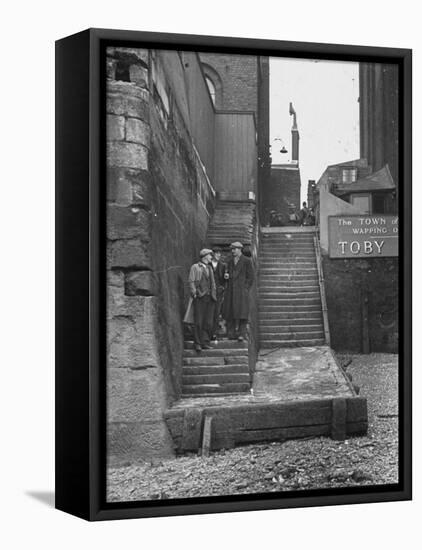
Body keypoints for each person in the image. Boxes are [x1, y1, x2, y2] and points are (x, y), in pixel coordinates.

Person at [222, 242, 254, 342]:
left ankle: (241, 334)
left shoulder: (247, 261)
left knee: (242, 314)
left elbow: (251, 276)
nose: (232, 251)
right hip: (231, 291)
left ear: (240, 249)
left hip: (241, 292)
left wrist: (245, 288)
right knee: (230, 312)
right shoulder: (230, 261)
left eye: (234, 249)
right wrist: (227, 276)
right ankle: (231, 334)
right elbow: (228, 273)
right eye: (232, 249)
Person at [187, 248, 216, 352]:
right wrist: (194, 293)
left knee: (207, 322)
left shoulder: (209, 268)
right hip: (200, 297)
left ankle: (205, 342)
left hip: (210, 297)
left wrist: (214, 295)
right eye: (209, 255)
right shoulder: (195, 267)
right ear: (204, 256)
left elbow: (212, 283)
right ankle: (197, 343)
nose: (211, 257)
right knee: (198, 321)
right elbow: (191, 281)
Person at [210, 246, 227, 339]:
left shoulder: (223, 266)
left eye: (220, 253)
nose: (218, 255)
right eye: (217, 253)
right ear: (212, 254)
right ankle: (207, 333)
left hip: (218, 293)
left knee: (216, 312)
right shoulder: (208, 264)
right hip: (208, 292)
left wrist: (223, 287)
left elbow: (224, 281)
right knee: (208, 313)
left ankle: (214, 333)